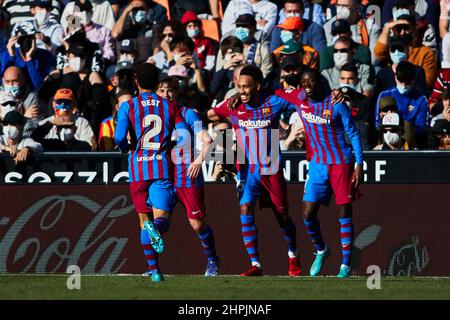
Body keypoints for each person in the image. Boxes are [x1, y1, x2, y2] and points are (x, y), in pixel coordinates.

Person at [207, 65, 302, 277]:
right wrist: (228, 106)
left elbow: (302, 98)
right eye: (239, 87)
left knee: (282, 214)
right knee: (245, 208)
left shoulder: (274, 101)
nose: (242, 91)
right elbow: (211, 114)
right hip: (248, 169)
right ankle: (255, 264)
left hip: (271, 167)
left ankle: (293, 255)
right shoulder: (235, 104)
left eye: (246, 87)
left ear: (257, 86)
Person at [277, 69, 363, 278]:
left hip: (341, 163)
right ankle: (322, 250)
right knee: (307, 214)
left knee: (344, 212)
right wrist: (236, 95)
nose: (307, 84)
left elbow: (352, 132)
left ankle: (345, 264)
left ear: (320, 83)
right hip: (317, 164)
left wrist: (359, 163)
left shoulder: (336, 103)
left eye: (311, 81)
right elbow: (274, 93)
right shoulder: (299, 97)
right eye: (304, 81)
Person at [114, 63, 190, 283]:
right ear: (158, 83)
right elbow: (184, 135)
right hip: (161, 168)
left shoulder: (128, 106)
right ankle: (155, 230)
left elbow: (119, 138)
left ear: (136, 81)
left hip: (137, 169)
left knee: (143, 219)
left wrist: (126, 148)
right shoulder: (169, 105)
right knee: (162, 220)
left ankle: (154, 270)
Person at [156, 77, 219, 276]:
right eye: (162, 90)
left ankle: (212, 260)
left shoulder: (188, 114)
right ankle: (152, 268)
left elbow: (208, 141)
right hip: (164, 178)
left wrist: (198, 160)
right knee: (157, 225)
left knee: (197, 224)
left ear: (176, 93)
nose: (166, 94)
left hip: (187, 177)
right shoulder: (153, 117)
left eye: (170, 90)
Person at [375, 61, 429, 148]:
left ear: (413, 81)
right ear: (395, 77)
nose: (403, 86)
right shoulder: (385, 95)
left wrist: (402, 132)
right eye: (401, 81)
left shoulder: (421, 99)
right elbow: (377, 123)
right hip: (388, 135)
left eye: (407, 83)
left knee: (407, 126)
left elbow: (421, 126)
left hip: (410, 139)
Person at [2, 20, 54, 90]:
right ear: (16, 40)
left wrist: (29, 59)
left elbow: (38, 85)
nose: (26, 41)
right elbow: (6, 82)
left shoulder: (45, 55)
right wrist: (12, 57)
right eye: (22, 39)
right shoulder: (7, 55)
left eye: (30, 38)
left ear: (34, 39)